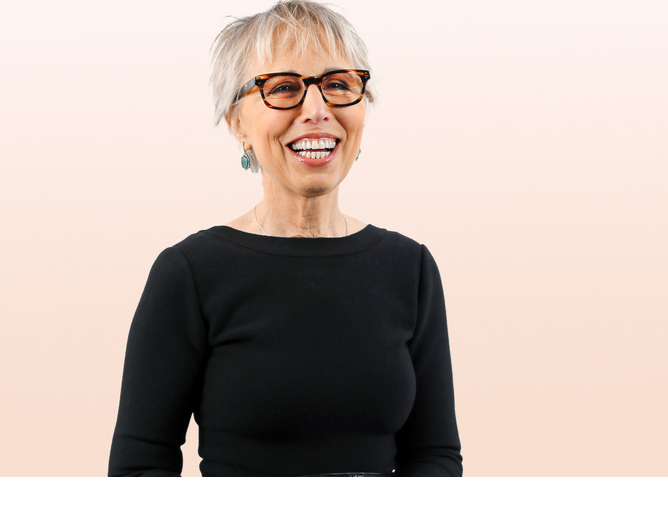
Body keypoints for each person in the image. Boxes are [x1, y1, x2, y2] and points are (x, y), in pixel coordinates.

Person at [108, 0, 462, 477]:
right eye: (283, 88)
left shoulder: (410, 268)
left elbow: (436, 455)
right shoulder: (190, 273)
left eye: (338, 85)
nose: (316, 110)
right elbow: (139, 465)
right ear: (237, 123)